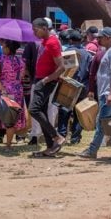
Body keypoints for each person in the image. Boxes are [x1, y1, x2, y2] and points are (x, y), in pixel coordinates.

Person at [79, 27, 111, 161]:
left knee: (102, 122)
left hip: (110, 93)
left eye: (100, 37)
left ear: (109, 38)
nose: (98, 40)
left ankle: (92, 150)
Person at [29, 18, 66, 157]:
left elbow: (62, 67)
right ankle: (51, 146)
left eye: (35, 30)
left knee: (34, 109)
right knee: (42, 112)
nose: (34, 33)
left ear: (44, 28)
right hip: (41, 80)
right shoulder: (45, 42)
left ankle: (57, 137)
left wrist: (45, 80)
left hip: (45, 82)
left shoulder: (53, 42)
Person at [0, 39, 25, 151]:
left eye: (3, 47)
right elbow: (21, 77)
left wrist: (3, 89)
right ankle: (8, 145)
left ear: (8, 48)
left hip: (0, 91)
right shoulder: (21, 61)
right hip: (16, 91)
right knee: (11, 118)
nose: (2, 48)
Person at [57, 30, 92, 144]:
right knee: (79, 112)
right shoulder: (87, 53)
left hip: (69, 85)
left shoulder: (69, 51)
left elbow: (68, 71)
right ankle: (75, 137)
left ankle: (62, 135)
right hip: (83, 86)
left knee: (64, 112)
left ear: (70, 40)